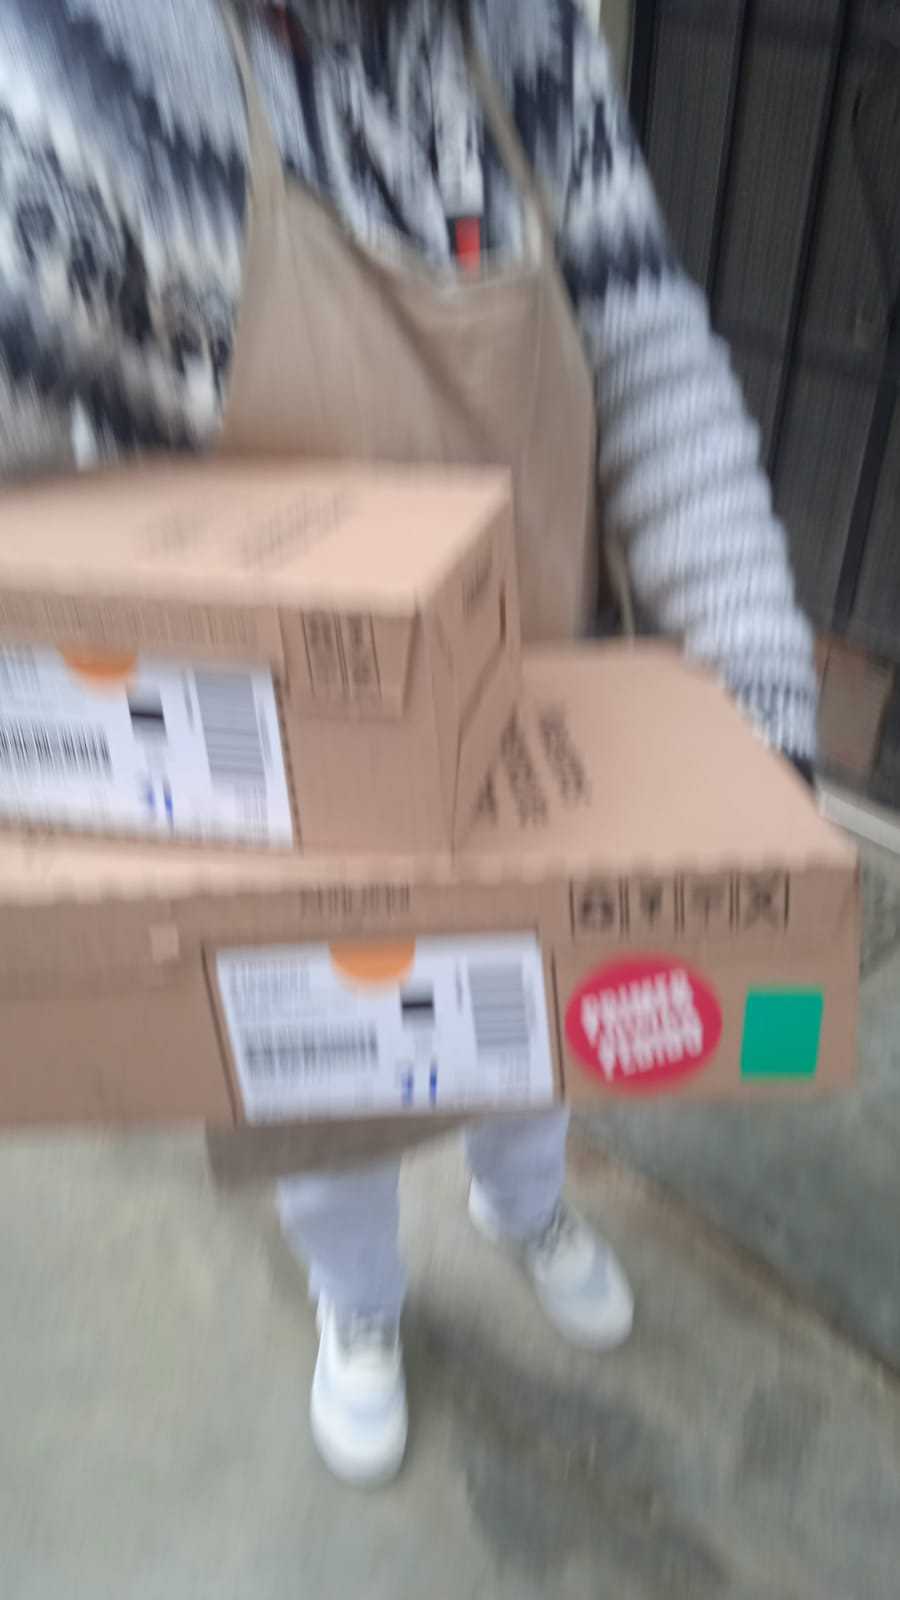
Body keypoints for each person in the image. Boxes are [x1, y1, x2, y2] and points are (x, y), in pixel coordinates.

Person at [0, 0, 817, 1487]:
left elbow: (642, 337)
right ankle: (361, 1301)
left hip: (536, 731)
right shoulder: (85, 65)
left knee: (530, 1023)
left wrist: (757, 705)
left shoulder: (527, 32)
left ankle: (526, 1204)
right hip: (289, 792)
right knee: (323, 1078)